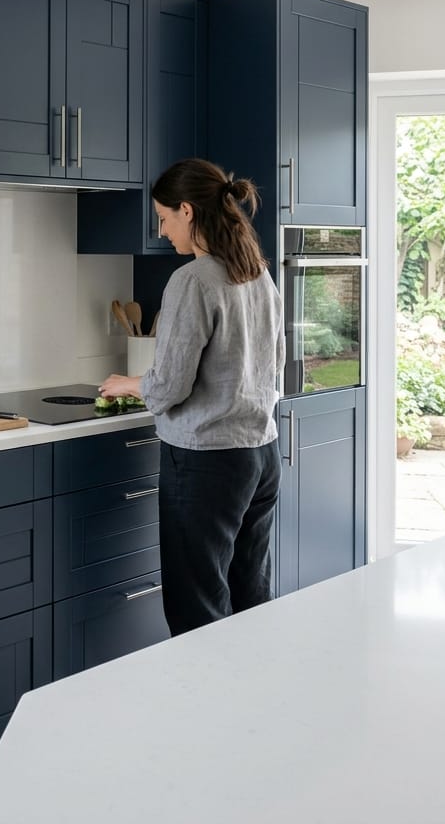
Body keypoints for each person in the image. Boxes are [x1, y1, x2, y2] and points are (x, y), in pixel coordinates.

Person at [99, 157, 285, 636]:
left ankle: (204, 710)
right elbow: (273, 368)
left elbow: (169, 386)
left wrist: (130, 383)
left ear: (187, 211)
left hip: (208, 462)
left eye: (163, 218)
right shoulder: (258, 274)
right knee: (250, 598)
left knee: (196, 609)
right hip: (261, 455)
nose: (161, 232)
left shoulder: (193, 279)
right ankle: (250, 706)